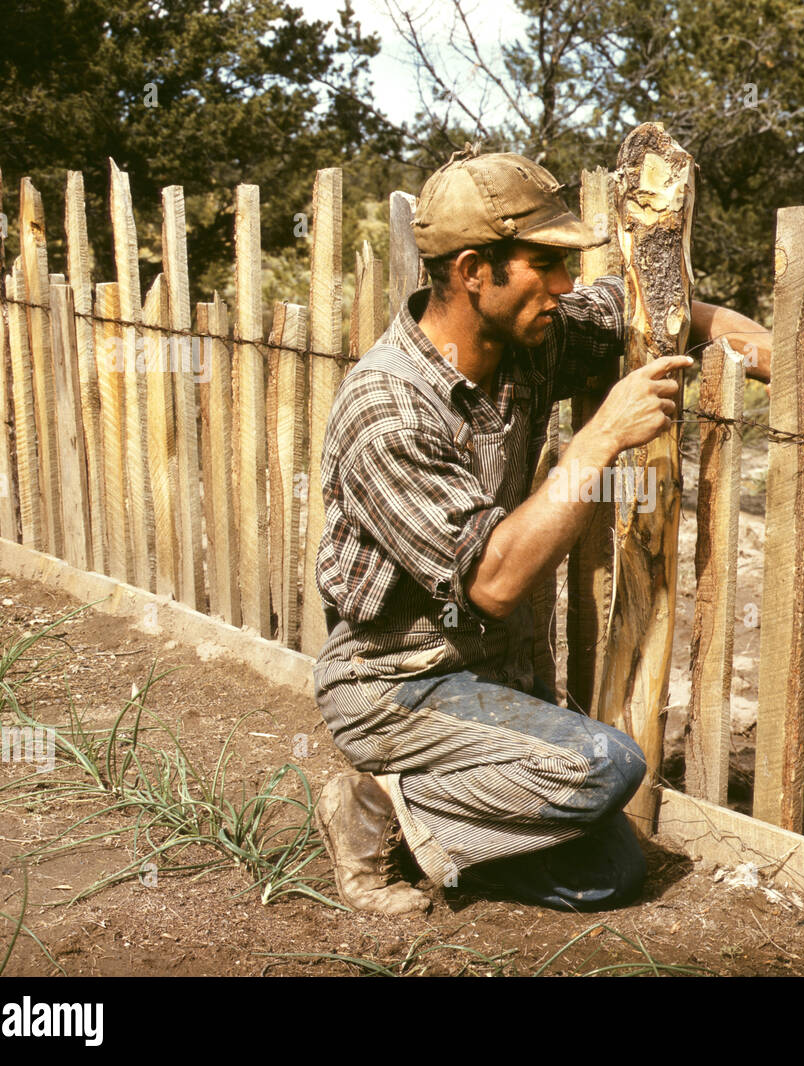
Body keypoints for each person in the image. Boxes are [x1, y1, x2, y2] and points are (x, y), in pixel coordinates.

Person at [312, 144, 772, 916]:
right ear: (470, 271)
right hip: (399, 683)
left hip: (490, 680)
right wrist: (599, 440)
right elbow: (491, 583)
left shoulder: (528, 335)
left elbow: (671, 318)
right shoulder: (387, 409)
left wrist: (781, 364)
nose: (565, 288)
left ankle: (435, 825)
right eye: (545, 266)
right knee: (605, 766)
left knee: (607, 875)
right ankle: (372, 804)